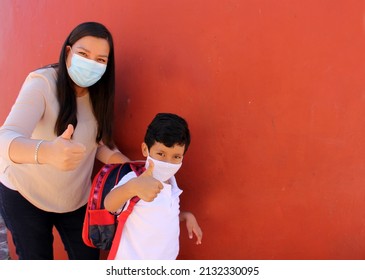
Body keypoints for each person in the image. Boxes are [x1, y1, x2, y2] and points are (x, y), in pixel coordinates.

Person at [0, 22, 130, 260]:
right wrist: (48, 152)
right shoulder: (42, 82)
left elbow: (99, 143)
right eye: (83, 54)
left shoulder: (99, 94)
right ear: (68, 52)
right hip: (25, 195)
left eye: (101, 60)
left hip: (75, 200)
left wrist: (132, 170)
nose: (92, 63)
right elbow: (5, 138)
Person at [104, 113, 203, 260]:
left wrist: (185, 216)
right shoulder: (136, 180)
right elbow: (109, 204)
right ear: (145, 149)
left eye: (176, 157)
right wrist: (132, 187)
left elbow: (160, 216)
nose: (168, 162)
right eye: (161, 154)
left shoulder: (172, 184)